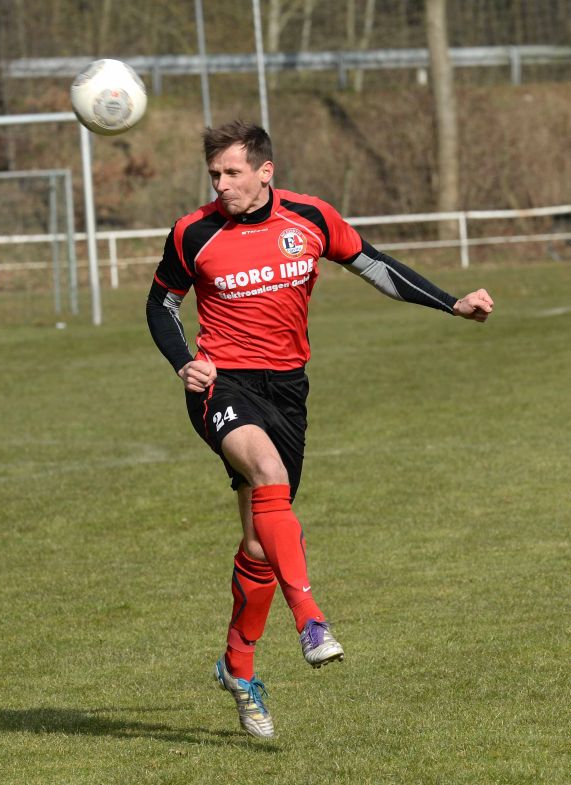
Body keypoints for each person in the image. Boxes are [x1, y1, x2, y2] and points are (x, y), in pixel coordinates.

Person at [146, 120, 493, 739]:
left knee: (259, 544)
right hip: (223, 385)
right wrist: (185, 362)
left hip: (288, 390)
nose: (221, 184)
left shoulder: (310, 218)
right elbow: (161, 303)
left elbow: (375, 266)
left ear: (265, 170)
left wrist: (451, 302)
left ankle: (237, 667)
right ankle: (310, 618)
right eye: (214, 175)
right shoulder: (192, 232)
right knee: (268, 474)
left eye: (231, 172)